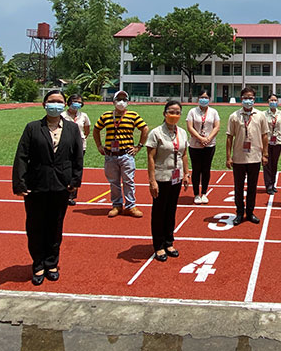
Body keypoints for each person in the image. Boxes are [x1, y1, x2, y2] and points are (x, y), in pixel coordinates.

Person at [12, 90, 83, 285]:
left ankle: (52, 263)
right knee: (35, 227)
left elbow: (77, 157)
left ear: (64, 105)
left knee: (55, 225)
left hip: (62, 186)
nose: (55, 105)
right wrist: (20, 183)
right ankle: (38, 264)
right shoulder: (33, 128)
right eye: (51, 101)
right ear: (44, 104)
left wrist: (75, 181)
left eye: (59, 101)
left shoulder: (72, 128)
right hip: (36, 186)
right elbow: (21, 156)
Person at [146, 101, 191, 261]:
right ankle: (158, 245)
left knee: (171, 210)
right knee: (159, 212)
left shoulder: (183, 133)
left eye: (178, 112)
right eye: (171, 111)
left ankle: (169, 241)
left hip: (176, 178)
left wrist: (186, 173)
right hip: (161, 177)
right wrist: (152, 181)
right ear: (165, 113)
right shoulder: (156, 133)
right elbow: (150, 157)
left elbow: (184, 154)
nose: (174, 115)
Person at [93, 90, 149, 218]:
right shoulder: (106, 115)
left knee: (129, 181)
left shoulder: (133, 115)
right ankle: (117, 205)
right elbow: (96, 130)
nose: (121, 102)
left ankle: (130, 206)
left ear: (128, 102)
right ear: (113, 101)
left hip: (126, 154)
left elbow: (144, 129)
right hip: (110, 155)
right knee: (114, 182)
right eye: (119, 99)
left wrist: (139, 146)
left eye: (124, 99)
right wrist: (99, 146)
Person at [225, 87, 269, 225]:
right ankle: (239, 213)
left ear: (254, 99)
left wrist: (265, 154)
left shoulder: (260, 115)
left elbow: (265, 136)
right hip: (238, 158)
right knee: (238, 187)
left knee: (252, 187)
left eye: (250, 98)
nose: (248, 100)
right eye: (245, 98)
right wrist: (228, 157)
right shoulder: (234, 116)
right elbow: (229, 137)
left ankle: (250, 212)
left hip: (255, 157)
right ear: (241, 99)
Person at [186, 90, 220, 204]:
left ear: (209, 99)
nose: (203, 99)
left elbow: (217, 127)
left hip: (209, 145)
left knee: (206, 169)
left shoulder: (213, 112)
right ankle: (196, 194)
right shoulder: (192, 111)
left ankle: (204, 193)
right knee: (196, 170)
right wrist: (200, 139)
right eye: (201, 97)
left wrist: (208, 138)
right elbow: (190, 127)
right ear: (198, 99)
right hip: (195, 145)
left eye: (205, 97)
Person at [61, 93, 91, 206]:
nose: (77, 104)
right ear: (69, 102)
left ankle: (71, 195)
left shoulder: (84, 116)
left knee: (76, 170)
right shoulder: (62, 115)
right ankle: (62, 193)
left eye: (79, 102)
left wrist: (80, 139)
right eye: (74, 101)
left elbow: (87, 130)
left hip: (80, 146)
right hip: (65, 145)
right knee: (64, 169)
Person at [263, 94, 281, 195]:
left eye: (275, 100)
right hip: (267, 142)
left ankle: (273, 184)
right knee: (267, 164)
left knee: (274, 164)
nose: (273, 102)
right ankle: (268, 185)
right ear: (268, 102)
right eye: (271, 100)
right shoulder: (263, 114)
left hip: (277, 141)